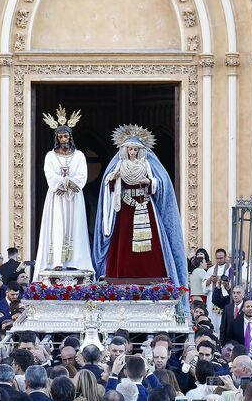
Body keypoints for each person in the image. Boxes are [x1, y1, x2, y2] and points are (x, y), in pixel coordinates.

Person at [93, 124, 187, 288]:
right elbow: (109, 185)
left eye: (135, 149)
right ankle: (121, 274)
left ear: (140, 150)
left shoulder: (147, 164)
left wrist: (149, 182)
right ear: (125, 149)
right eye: (130, 149)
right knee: (123, 239)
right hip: (125, 208)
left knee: (151, 242)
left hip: (145, 205)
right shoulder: (119, 165)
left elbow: (162, 182)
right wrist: (113, 178)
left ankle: (153, 274)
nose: (132, 152)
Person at [34, 106, 93, 274]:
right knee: (57, 225)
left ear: (70, 137)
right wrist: (61, 184)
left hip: (74, 196)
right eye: (60, 136)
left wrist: (66, 184)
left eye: (65, 136)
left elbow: (82, 175)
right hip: (57, 196)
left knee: (76, 226)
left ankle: (76, 260)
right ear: (57, 138)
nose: (63, 139)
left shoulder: (79, 155)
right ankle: (57, 261)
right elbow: (49, 173)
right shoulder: (50, 155)